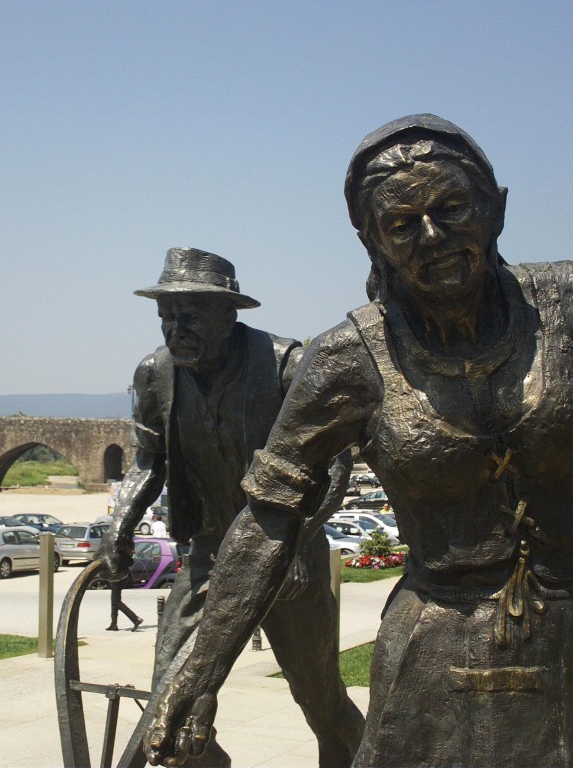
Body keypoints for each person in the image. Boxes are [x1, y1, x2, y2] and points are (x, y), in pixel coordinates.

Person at [142, 115, 573, 768]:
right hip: (430, 631)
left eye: (452, 207)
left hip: (561, 625)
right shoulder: (348, 359)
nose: (432, 237)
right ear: (372, 240)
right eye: (402, 224)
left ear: (493, 208)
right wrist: (198, 673)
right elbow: (269, 511)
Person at [100, 247, 365, 767]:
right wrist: (121, 523)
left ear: (229, 314)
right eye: (167, 317)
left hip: (289, 561)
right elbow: (149, 462)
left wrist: (294, 544)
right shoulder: (155, 374)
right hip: (208, 560)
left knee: (321, 703)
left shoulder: (287, 366)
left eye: (191, 316)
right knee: (169, 706)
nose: (176, 329)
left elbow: (334, 469)